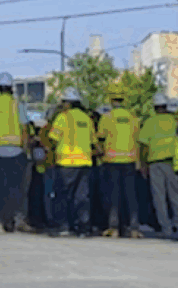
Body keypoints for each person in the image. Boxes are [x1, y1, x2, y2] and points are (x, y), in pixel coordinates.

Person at [47, 88, 96, 236]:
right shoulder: (87, 119)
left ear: (67, 103)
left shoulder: (63, 117)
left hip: (66, 162)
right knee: (82, 197)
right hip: (84, 162)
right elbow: (93, 141)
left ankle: (63, 226)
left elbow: (53, 138)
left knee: (62, 196)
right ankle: (83, 228)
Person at [0, 74, 30, 232]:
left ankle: (0, 222)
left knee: (0, 187)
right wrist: (25, 149)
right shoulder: (17, 104)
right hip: (15, 151)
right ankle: (16, 220)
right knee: (15, 188)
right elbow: (24, 129)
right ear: (11, 88)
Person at [99, 89, 145, 237]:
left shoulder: (107, 117)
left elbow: (100, 137)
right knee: (131, 195)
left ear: (112, 102)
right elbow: (138, 140)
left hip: (112, 160)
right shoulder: (133, 118)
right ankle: (134, 229)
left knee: (114, 195)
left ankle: (114, 228)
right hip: (130, 161)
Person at [142, 95, 178, 241]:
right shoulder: (173, 121)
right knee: (175, 196)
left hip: (155, 163)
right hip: (172, 163)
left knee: (159, 197)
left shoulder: (150, 122)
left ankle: (166, 228)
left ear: (154, 108)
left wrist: (143, 164)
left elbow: (144, 144)